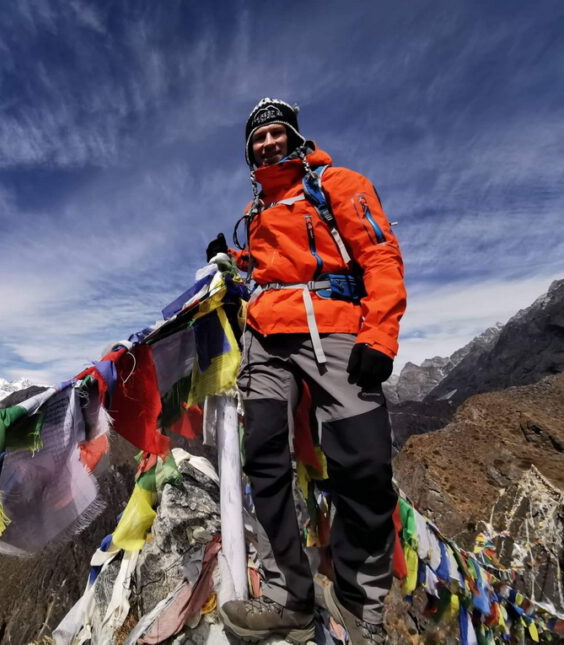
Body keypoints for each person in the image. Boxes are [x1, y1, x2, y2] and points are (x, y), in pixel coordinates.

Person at [210, 98, 406, 644]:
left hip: (337, 330)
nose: (268, 143)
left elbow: (380, 255)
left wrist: (380, 334)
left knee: (364, 463)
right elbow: (267, 267)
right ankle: (288, 597)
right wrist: (232, 258)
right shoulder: (254, 212)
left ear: (294, 136)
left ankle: (355, 595)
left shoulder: (338, 184)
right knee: (265, 462)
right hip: (265, 339)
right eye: (258, 138)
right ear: (249, 151)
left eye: (276, 133)